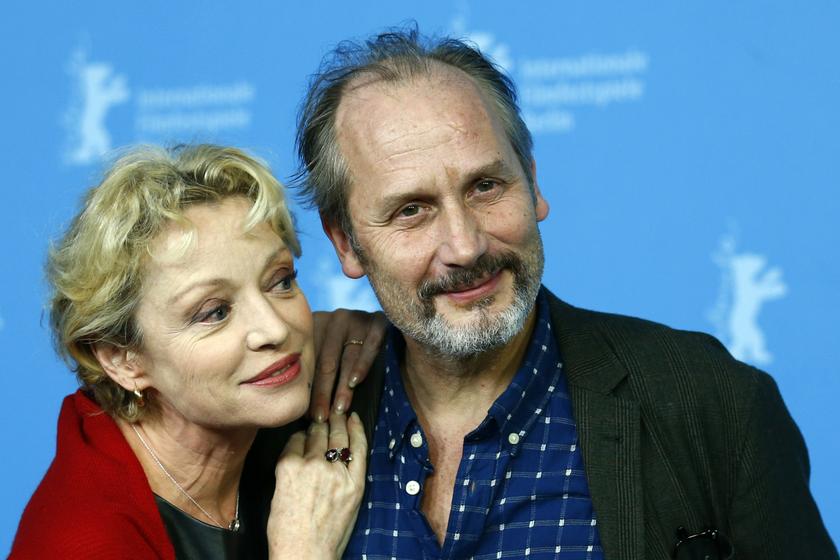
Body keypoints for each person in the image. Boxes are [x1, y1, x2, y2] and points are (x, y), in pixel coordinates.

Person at [288, 27, 838, 559]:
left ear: (532, 183)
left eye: (485, 186)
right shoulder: (281, 425)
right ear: (346, 242)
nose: (465, 246)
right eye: (412, 210)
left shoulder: (712, 403)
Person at [10, 144, 383, 559]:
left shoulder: (259, 408)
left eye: (280, 281)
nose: (275, 328)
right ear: (122, 359)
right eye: (214, 312)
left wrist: (360, 329)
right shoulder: (82, 541)